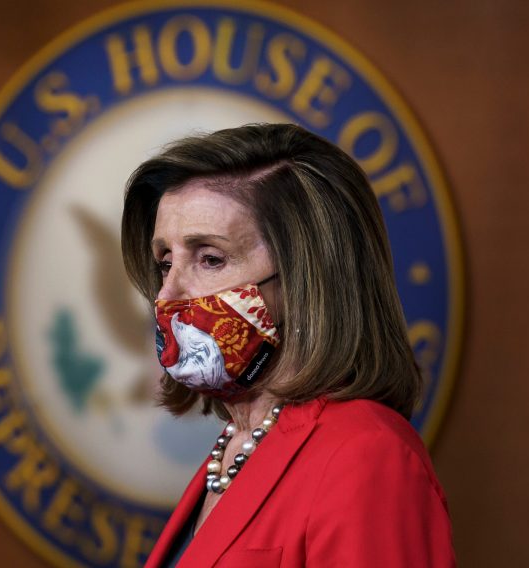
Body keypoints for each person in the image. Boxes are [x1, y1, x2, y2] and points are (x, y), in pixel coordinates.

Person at [121, 123, 455, 567]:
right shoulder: (237, 445)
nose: (168, 294)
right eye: (165, 262)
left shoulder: (367, 455)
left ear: (306, 280)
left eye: (210, 258)